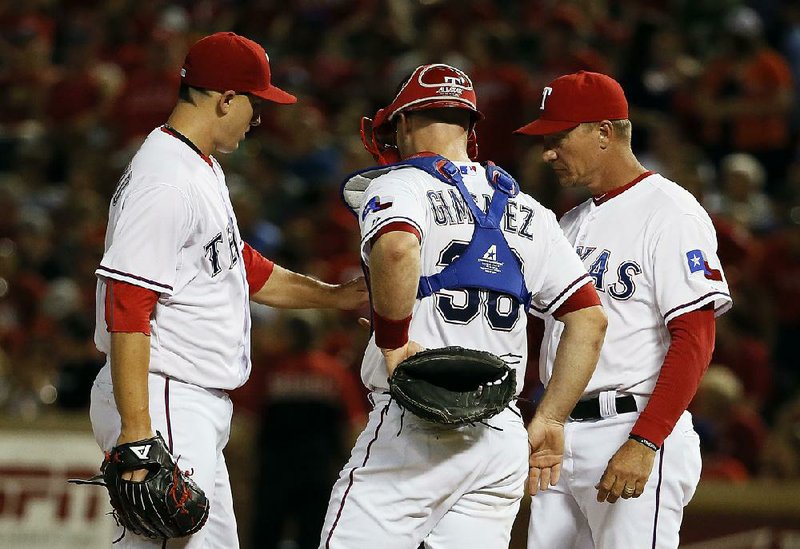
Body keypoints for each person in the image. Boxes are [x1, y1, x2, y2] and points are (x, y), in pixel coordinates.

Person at [89, 32, 368, 548]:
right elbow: (127, 305)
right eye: (254, 104)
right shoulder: (166, 180)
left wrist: (335, 296)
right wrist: (136, 431)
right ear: (225, 99)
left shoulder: (198, 166)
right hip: (164, 394)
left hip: (186, 400)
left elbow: (240, 266)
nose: (258, 119)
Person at [321, 63, 607, 548]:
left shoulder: (400, 184)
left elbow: (396, 248)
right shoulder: (529, 209)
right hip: (500, 434)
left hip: (418, 419)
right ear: (469, 128)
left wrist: (392, 343)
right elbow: (589, 318)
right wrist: (552, 418)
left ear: (404, 123)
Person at [515, 71, 733, 549]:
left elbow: (695, 337)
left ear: (604, 132)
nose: (548, 152)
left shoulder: (670, 211)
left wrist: (646, 440)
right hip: (559, 437)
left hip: (628, 428)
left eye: (559, 137)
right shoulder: (568, 224)